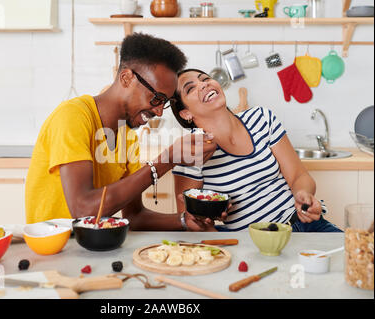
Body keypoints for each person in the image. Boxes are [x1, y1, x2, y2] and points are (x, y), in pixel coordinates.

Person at [25, 34, 217, 231]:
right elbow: (82, 210)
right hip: (55, 250)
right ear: (126, 78)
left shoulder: (127, 136)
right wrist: (166, 160)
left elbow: (135, 216)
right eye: (156, 98)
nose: (159, 111)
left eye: (164, 102)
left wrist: (184, 220)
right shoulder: (72, 117)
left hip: (92, 247)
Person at [170, 68, 342, 232]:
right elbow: (188, 221)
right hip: (250, 243)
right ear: (185, 113)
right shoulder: (189, 149)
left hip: (303, 223)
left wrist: (304, 195)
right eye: (191, 88)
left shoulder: (261, 118)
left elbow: (298, 175)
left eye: (205, 78)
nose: (204, 84)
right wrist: (209, 228)